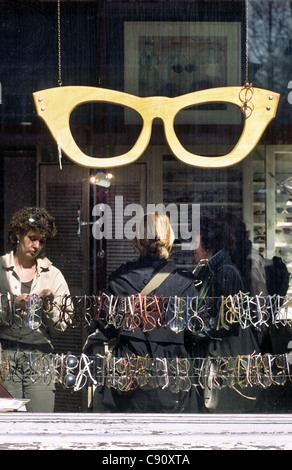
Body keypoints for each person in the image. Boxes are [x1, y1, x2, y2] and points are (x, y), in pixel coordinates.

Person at [87, 212, 199, 413]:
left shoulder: (120, 279)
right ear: (169, 238)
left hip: (129, 373)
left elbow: (106, 327)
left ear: (138, 240)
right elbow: (194, 331)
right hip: (171, 374)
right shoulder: (184, 280)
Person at [0, 206, 70, 412]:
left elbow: (63, 325)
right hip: (4, 353)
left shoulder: (53, 274)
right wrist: (12, 305)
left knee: (41, 420)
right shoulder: (1, 269)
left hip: (40, 355)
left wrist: (47, 307)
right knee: (6, 423)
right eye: (32, 238)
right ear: (18, 234)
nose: (36, 245)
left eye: (42, 240)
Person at [191, 215, 260, 413]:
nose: (192, 248)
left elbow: (230, 323)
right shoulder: (211, 270)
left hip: (224, 361)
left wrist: (197, 329)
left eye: (195, 241)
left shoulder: (224, 272)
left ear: (208, 242)